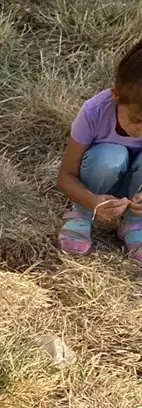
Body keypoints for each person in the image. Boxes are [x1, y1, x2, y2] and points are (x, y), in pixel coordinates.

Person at [57, 38, 142, 260]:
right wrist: (91, 202)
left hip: (134, 193)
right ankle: (81, 214)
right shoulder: (94, 112)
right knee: (109, 157)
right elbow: (65, 175)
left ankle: (134, 224)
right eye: (136, 119)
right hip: (96, 184)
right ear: (115, 94)